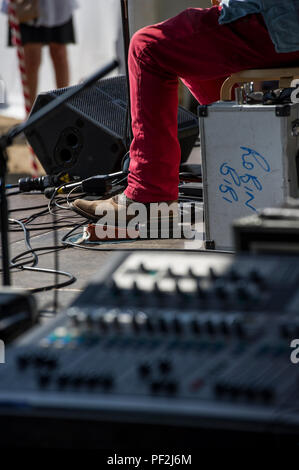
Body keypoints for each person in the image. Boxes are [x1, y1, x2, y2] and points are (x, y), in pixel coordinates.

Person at [71, 0, 299, 225]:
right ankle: (254, 163)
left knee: (147, 47)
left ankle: (149, 195)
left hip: (276, 23)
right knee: (188, 48)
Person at [2, 0, 78, 109]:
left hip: (57, 6)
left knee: (59, 54)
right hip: (27, 6)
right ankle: (31, 112)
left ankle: (64, 108)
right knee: (32, 59)